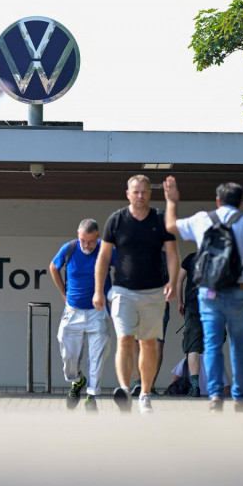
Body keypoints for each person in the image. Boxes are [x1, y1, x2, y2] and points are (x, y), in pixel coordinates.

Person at [164, 179, 243, 413]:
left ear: (217, 201)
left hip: (209, 293)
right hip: (239, 292)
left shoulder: (203, 219)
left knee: (211, 345)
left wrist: (172, 201)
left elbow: (171, 226)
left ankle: (214, 395)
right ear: (241, 201)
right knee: (238, 345)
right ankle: (239, 394)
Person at [95, 175, 178, 414]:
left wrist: (172, 281)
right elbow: (103, 257)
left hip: (153, 291)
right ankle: (124, 389)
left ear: (149, 194)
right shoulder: (116, 220)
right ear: (128, 194)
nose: (140, 196)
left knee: (148, 343)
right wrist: (98, 290)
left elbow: (172, 253)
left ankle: (144, 393)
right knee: (124, 339)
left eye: (144, 192)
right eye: (136, 192)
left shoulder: (160, 219)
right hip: (122, 290)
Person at [48, 218, 113, 412]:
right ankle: (77, 380)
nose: (86, 245)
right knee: (68, 354)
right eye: (83, 241)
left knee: (97, 355)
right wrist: (63, 293)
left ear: (98, 237)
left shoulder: (106, 249)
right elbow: (53, 267)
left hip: (98, 311)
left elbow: (124, 266)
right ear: (78, 235)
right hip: (73, 311)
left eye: (90, 241)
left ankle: (92, 395)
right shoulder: (69, 248)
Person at [174, 251, 205, 397]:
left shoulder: (191, 257)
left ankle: (195, 387)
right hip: (213, 306)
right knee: (211, 346)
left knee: (193, 346)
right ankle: (214, 386)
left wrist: (180, 301)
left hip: (193, 306)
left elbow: (179, 280)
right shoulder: (220, 256)